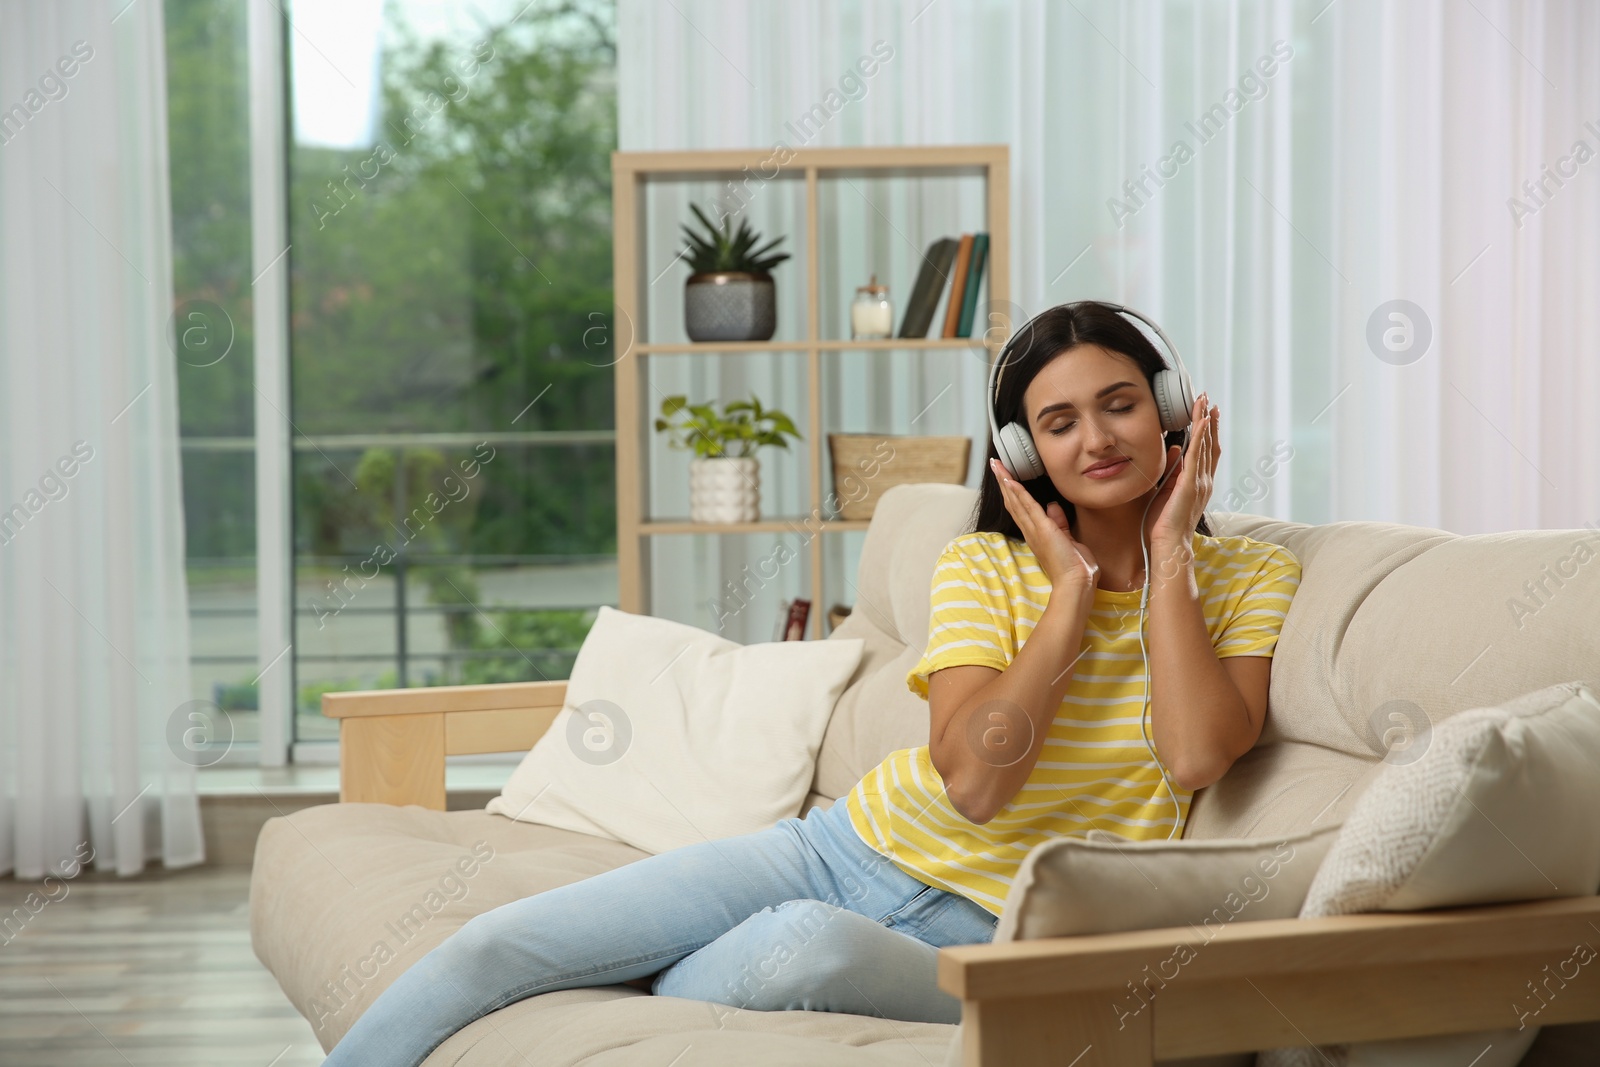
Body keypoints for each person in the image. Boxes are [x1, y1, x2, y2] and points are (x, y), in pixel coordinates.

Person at [320, 300, 1301, 1066]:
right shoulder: (981, 568)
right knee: (495, 946)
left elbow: (1195, 750)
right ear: (1021, 453)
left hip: (997, 930)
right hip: (838, 851)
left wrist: (1167, 551)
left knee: (798, 950)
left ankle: (639, 974)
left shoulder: (1250, 578)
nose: (1096, 437)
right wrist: (1071, 599)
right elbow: (972, 780)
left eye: (1120, 402)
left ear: (1171, 409)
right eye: (1059, 420)